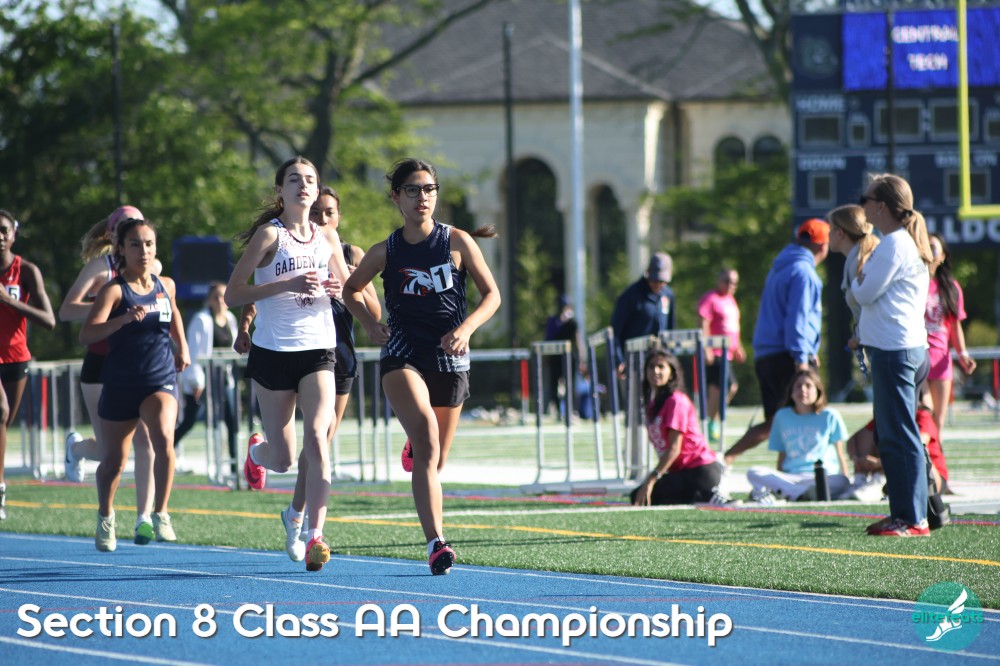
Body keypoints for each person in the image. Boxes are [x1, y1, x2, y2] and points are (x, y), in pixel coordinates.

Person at [343, 158, 501, 575]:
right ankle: (436, 543)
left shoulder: (457, 241)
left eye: (429, 189)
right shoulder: (386, 251)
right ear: (396, 197)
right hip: (403, 355)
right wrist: (369, 323)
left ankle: (416, 442)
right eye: (412, 190)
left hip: (450, 358)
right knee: (428, 439)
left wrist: (466, 329)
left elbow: (492, 296)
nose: (422, 197)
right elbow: (351, 289)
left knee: (435, 459)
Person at [227, 156, 350, 572]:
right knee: (283, 460)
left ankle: (316, 534)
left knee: (317, 437)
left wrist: (338, 289)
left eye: (310, 179)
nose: (303, 185)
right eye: (294, 179)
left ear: (317, 189)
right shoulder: (270, 236)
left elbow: (346, 287)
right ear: (280, 190)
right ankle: (256, 453)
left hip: (319, 349)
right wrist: (287, 283)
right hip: (274, 352)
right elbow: (233, 294)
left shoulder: (327, 236)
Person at [272, 186, 381, 562]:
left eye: (328, 212)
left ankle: (295, 514)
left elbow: (374, 311)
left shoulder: (351, 254)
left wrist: (347, 288)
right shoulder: (291, 247)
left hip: (341, 357)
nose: (321, 218)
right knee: (306, 443)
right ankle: (302, 519)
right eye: (316, 211)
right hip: (301, 353)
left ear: (338, 217)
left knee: (319, 444)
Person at [80, 217, 190, 552]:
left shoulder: (165, 285)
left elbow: (174, 313)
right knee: (113, 463)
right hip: (121, 384)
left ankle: (160, 513)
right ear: (122, 250)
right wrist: (123, 319)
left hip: (160, 378)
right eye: (135, 244)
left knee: (164, 439)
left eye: (149, 244)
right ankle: (106, 515)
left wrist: (182, 346)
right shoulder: (114, 290)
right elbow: (87, 334)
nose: (143, 251)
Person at [60, 205, 163, 545]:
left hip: (139, 365)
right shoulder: (99, 268)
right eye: (126, 229)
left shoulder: (152, 267)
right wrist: (111, 306)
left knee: (147, 440)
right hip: (102, 364)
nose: (140, 245)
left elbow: (167, 307)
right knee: (111, 451)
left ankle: (144, 518)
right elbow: (66, 311)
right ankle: (78, 450)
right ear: (114, 236)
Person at [852, 173, 932, 537]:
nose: (862, 206)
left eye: (865, 199)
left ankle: (913, 517)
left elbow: (864, 293)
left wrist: (858, 275)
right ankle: (904, 513)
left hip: (895, 351)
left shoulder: (894, 244)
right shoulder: (899, 243)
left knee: (900, 434)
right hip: (900, 348)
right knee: (894, 434)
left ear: (881, 206)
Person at [724, 219, 829, 465]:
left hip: (768, 354)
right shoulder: (804, 272)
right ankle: (729, 459)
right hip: (787, 355)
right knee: (804, 416)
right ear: (822, 246)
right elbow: (798, 318)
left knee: (777, 421)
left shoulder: (780, 267)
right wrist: (802, 358)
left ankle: (729, 459)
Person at [0, 210, 56, 520]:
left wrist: (10, 302)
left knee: (3, 424)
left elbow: (49, 320)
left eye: (3, 230)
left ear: (14, 234)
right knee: (1, 411)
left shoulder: (27, 271)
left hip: (16, 357)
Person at [630, 349, 724, 506]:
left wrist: (651, 479)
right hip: (682, 472)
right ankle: (700, 497)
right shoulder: (653, 405)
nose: (655, 371)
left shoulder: (676, 401)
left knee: (643, 496)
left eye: (661, 366)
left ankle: (707, 495)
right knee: (639, 496)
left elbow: (674, 449)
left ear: (672, 373)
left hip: (700, 470)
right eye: (651, 367)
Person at [746, 368, 850, 502]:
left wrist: (846, 480)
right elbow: (781, 456)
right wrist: (779, 477)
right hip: (792, 477)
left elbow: (840, 453)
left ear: (818, 390)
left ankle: (789, 493)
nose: (803, 390)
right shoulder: (781, 416)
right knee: (754, 472)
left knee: (842, 481)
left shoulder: (830, 415)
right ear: (791, 392)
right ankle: (801, 494)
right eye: (798, 386)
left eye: (808, 386)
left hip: (822, 476)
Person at [174, 282, 239, 475]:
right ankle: (165, 450)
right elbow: (194, 352)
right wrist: (196, 382)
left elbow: (233, 349)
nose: (220, 301)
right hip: (202, 380)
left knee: (232, 420)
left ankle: (234, 467)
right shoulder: (201, 320)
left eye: (223, 296)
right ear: (209, 300)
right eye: (216, 297)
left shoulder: (230, 319)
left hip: (224, 380)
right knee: (190, 421)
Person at [925, 233, 976, 448]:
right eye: (925, 245)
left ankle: (937, 465)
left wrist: (962, 354)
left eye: (933, 246)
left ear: (943, 255)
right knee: (924, 415)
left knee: (938, 422)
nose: (928, 250)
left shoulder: (951, 287)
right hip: (917, 359)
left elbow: (955, 326)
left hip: (941, 361)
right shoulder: (912, 282)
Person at [827, 204, 880, 375]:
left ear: (840, 233)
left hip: (884, 347)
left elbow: (874, 307)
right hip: (879, 344)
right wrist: (859, 335)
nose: (827, 235)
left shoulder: (859, 263)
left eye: (830, 229)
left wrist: (862, 335)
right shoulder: (856, 260)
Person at [696, 268, 746, 444]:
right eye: (727, 281)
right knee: (730, 386)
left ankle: (710, 422)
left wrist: (738, 346)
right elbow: (703, 322)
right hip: (716, 351)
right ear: (719, 280)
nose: (731, 285)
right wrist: (706, 348)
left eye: (734, 283)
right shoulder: (711, 298)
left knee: (717, 390)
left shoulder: (731, 300)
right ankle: (712, 421)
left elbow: (733, 327)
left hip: (728, 352)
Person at [610, 252, 674, 376]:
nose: (658, 284)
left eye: (662, 281)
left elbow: (670, 329)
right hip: (633, 362)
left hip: (659, 362)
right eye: (654, 280)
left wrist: (670, 358)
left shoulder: (668, 295)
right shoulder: (630, 296)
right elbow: (615, 332)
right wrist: (618, 360)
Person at [544, 294, 583, 418]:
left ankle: (571, 410)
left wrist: (581, 360)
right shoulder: (552, 321)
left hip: (570, 358)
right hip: (556, 358)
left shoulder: (572, 323)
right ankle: (558, 410)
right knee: (554, 385)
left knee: (571, 385)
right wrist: (546, 356)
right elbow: (548, 339)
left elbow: (577, 341)